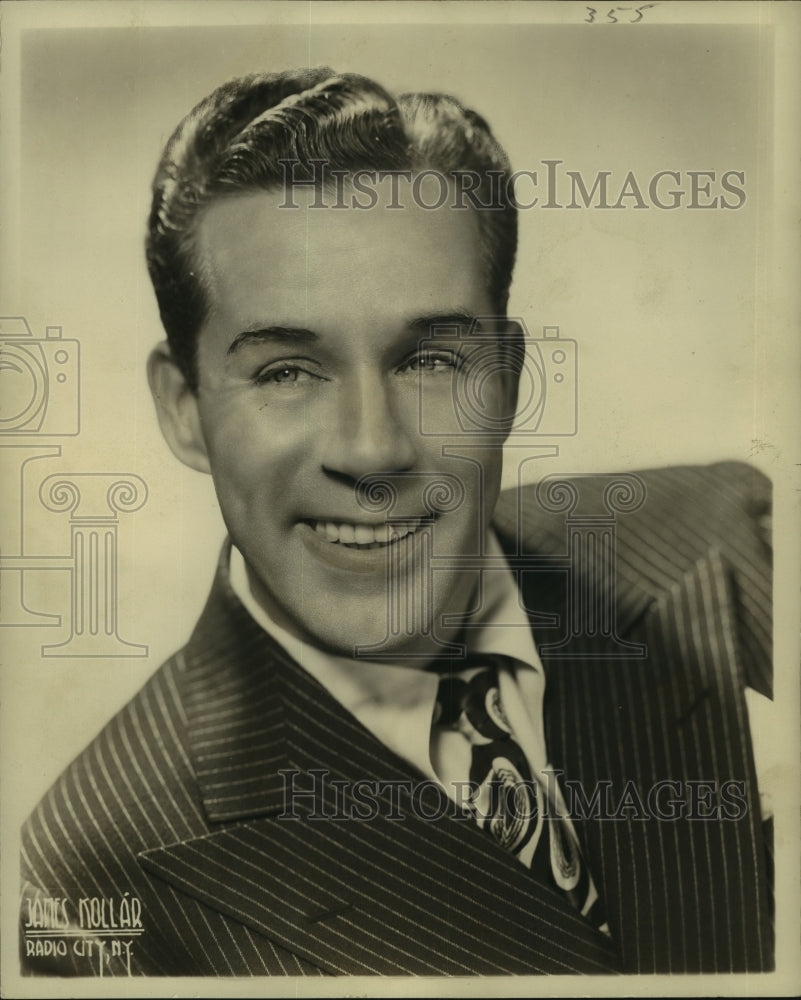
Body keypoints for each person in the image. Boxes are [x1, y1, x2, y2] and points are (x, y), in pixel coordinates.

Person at [20, 68, 773, 977]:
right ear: (183, 408)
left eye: (429, 360)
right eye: (286, 372)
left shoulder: (738, 545)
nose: (370, 450)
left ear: (508, 375)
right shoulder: (93, 869)